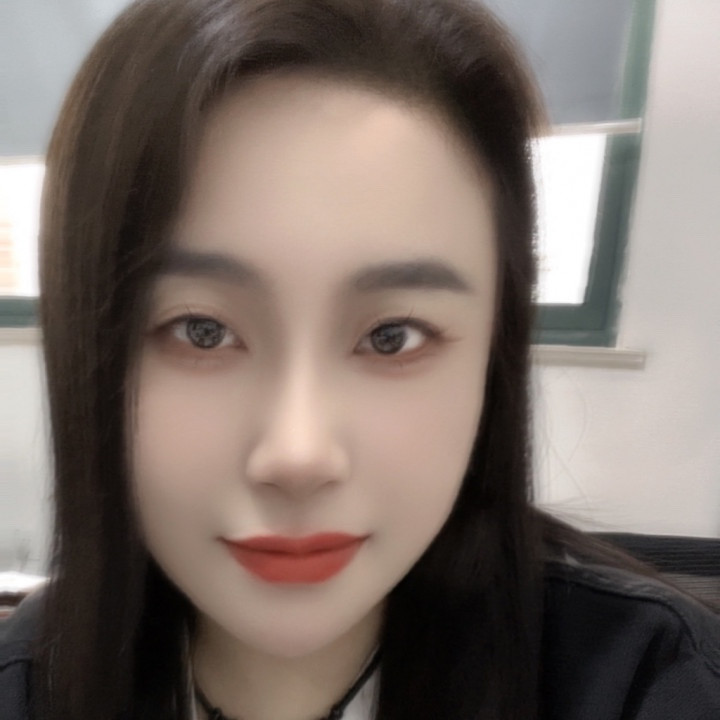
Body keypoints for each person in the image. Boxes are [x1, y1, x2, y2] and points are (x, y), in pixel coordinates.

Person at [1, 0, 719, 718]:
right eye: (202, 331)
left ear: (492, 358)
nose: (298, 455)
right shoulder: (27, 683)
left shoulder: (648, 681)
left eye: (391, 336)